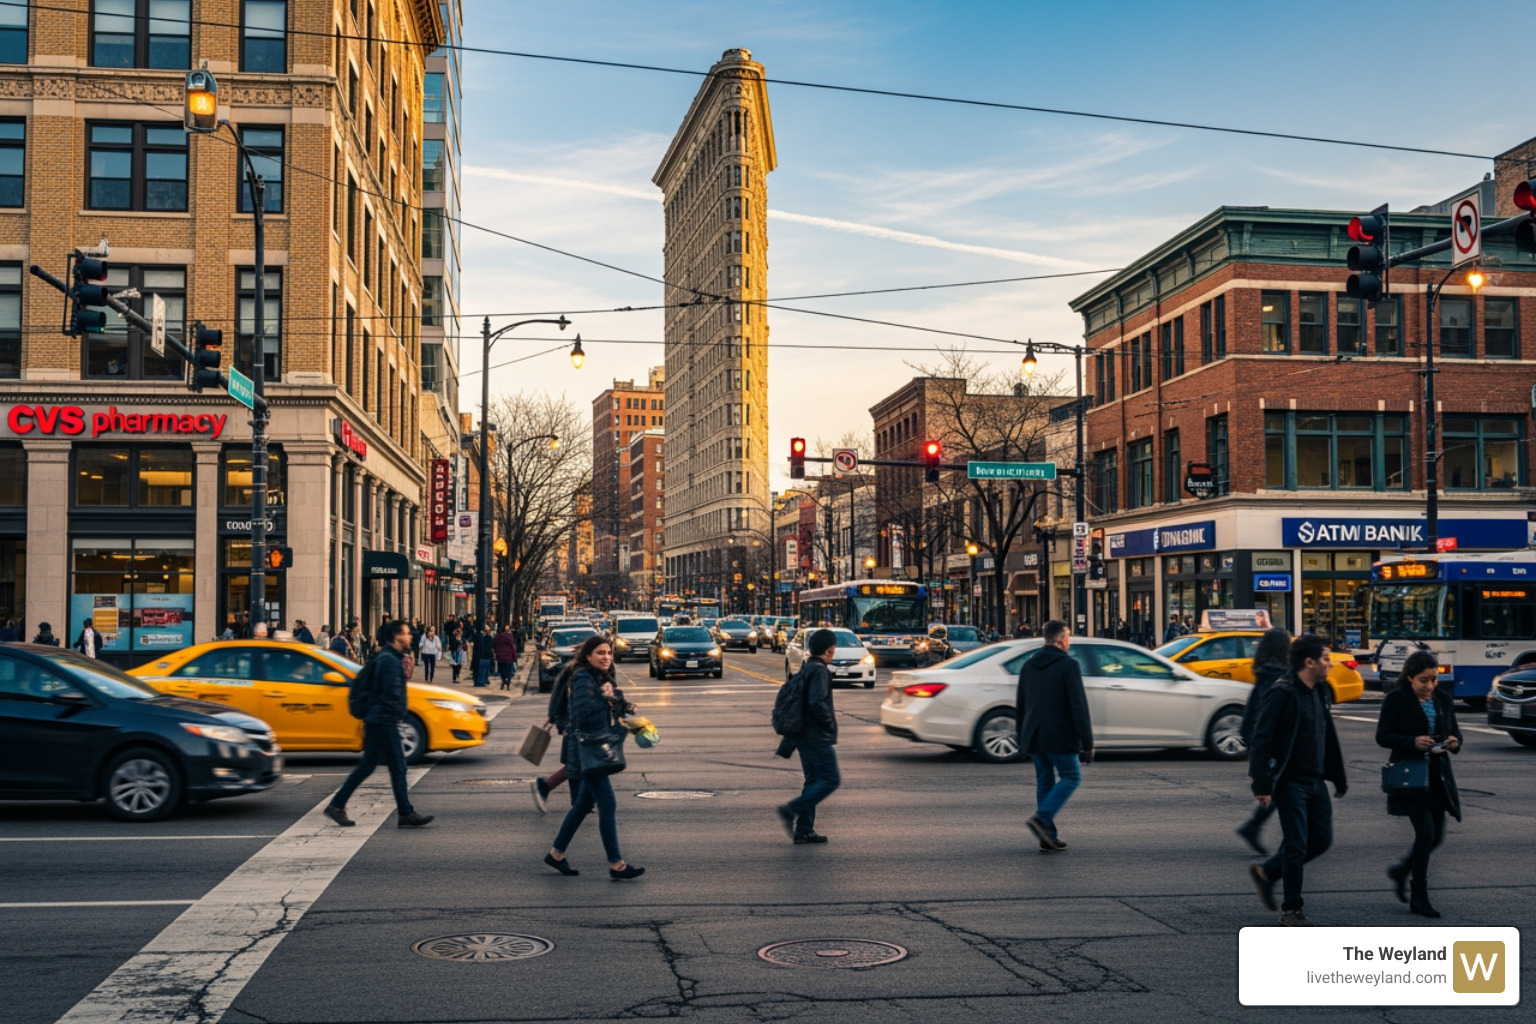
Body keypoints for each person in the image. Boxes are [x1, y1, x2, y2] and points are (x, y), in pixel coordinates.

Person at [1247, 634, 1348, 927]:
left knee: (1320, 840)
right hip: (1289, 782)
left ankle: (1267, 873)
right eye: (1326, 658)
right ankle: (1292, 909)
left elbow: (1326, 736)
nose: (1330, 664)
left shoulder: (1319, 691)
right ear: (1309, 662)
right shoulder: (1283, 692)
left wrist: (1337, 778)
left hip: (1315, 782)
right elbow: (1261, 739)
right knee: (1296, 845)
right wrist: (1262, 785)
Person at [545, 636, 644, 879]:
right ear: (588, 656)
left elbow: (612, 706)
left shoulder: (600, 677)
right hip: (587, 751)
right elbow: (581, 714)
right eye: (601, 653)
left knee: (584, 805)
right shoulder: (581, 678)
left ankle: (556, 853)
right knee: (607, 804)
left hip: (593, 749)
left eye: (609, 653)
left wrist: (620, 702)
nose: (606, 657)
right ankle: (617, 864)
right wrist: (606, 698)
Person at [324, 619, 434, 829]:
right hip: (383, 722)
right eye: (406, 633)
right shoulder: (389, 661)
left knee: (372, 765)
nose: (410, 636)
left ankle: (338, 805)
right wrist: (396, 716)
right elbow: (389, 694)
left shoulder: (387, 658)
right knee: (397, 766)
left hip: (378, 720)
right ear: (396, 637)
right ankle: (405, 813)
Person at [1376, 650, 1462, 918]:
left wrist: (1454, 742)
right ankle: (1419, 895)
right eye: (1424, 680)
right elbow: (1383, 736)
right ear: (1410, 678)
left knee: (1436, 836)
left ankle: (1401, 870)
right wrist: (1411, 741)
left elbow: (1455, 733)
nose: (1430, 686)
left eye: (1434, 680)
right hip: (1411, 776)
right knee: (1425, 833)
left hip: (1438, 776)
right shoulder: (1396, 699)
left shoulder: (1443, 700)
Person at [1016, 620, 1094, 852]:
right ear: (1061, 640)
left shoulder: (1028, 665)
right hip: (1059, 735)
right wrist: (1087, 743)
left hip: (1034, 735)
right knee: (1071, 776)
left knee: (1045, 781)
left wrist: (1022, 737)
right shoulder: (1069, 666)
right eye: (1068, 636)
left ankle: (1047, 837)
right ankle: (1043, 818)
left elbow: (1021, 704)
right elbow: (1078, 706)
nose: (1069, 641)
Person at [775, 628, 840, 844]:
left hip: (803, 736)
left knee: (812, 782)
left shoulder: (807, 667)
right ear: (829, 650)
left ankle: (803, 830)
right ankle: (791, 809)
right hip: (816, 737)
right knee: (830, 779)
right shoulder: (820, 671)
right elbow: (816, 702)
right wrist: (829, 723)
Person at [1235, 628, 1293, 855]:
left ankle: (1254, 827)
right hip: (1275, 744)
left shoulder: (1264, 673)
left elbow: (1249, 717)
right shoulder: (1280, 677)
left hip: (1266, 743)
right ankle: (1256, 827)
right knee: (1285, 789)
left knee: (1282, 789)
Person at [471, 622, 496, 688]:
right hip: (484, 656)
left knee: (483, 669)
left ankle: (482, 680)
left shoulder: (481, 636)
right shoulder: (484, 637)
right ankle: (481, 680)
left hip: (482, 656)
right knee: (483, 669)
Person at [495, 623, 519, 690]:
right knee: (509, 671)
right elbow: (512, 648)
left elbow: (495, 647)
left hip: (500, 658)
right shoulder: (510, 637)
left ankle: (503, 680)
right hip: (508, 658)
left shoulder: (498, 637)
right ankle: (508, 682)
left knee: (502, 670)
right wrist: (514, 657)